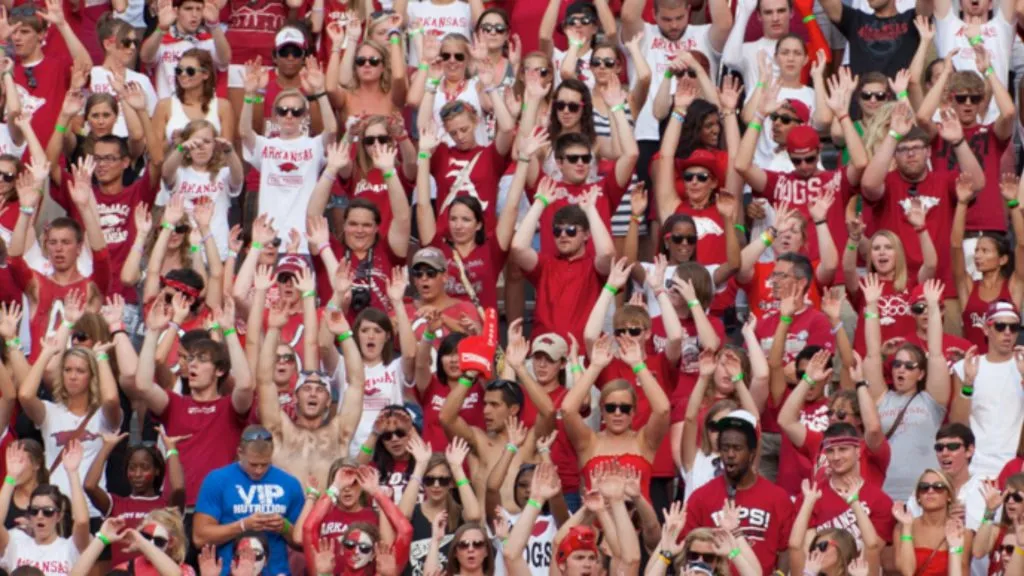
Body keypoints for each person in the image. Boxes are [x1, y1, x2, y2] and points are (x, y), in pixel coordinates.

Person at [127, 298, 253, 520]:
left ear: (220, 370)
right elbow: (144, 385)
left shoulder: (229, 407)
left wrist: (229, 331)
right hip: (176, 510)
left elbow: (245, 385)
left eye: (201, 360)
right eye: (191, 359)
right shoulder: (175, 403)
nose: (192, 364)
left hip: (219, 510)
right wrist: (154, 332)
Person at [258, 295, 366, 489]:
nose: (313, 393)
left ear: (328, 401)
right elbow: (265, 381)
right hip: (287, 518)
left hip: (326, 513)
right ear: (295, 397)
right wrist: (274, 330)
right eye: (306, 388)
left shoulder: (338, 434)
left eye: (320, 390)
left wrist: (345, 335)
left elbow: (357, 383)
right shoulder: (281, 431)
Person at [619, 0, 731, 188]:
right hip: (648, 133)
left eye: (679, 18)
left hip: (697, 136)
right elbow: (629, 16)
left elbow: (725, 23)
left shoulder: (704, 34)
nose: (674, 25)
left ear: (689, 11)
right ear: (654, 15)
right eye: (666, 19)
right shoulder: (643, 35)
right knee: (653, 203)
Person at [241, 56, 337, 251]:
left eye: (297, 111)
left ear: (305, 115)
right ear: (275, 115)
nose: (289, 115)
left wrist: (320, 91)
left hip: (302, 242)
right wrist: (250, 94)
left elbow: (332, 130)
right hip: (269, 242)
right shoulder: (265, 144)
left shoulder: (314, 145)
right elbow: (244, 132)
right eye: (283, 110)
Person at [562, 331, 671, 502]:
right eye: (611, 408)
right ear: (602, 411)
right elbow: (568, 410)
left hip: (639, 523)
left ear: (633, 412)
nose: (618, 413)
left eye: (625, 408)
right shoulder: (589, 442)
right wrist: (595, 366)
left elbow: (663, 410)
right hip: (597, 526)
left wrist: (638, 364)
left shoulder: (644, 441)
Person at [683, 410, 795, 575]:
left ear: (752, 453)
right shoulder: (701, 497)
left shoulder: (777, 497)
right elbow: (687, 549)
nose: (730, 454)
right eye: (725, 448)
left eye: (737, 448)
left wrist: (780, 574)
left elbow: (786, 548)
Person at [509, 179, 614, 344]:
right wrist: (539, 204)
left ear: (586, 235)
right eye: (558, 231)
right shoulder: (545, 264)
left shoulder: (594, 267)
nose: (563, 235)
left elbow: (607, 253)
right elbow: (518, 248)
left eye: (571, 230)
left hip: (580, 359)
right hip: (542, 356)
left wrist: (590, 210)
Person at [193, 425, 305, 575]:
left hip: (276, 571)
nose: (259, 470)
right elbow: (199, 538)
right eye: (253, 464)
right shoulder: (217, 480)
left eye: (265, 464)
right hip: (230, 571)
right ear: (240, 453)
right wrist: (243, 525)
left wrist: (284, 527)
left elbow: (303, 543)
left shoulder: (290, 483)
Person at [83, 427, 186, 567]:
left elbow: (179, 488)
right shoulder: (115, 504)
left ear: (156, 471)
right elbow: (90, 486)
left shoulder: (166, 506)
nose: (137, 474)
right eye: (132, 468)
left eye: (144, 467)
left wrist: (171, 449)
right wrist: (107, 447)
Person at [790, 423, 893, 553]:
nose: (836, 457)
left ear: (857, 451)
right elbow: (808, 549)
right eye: (830, 451)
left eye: (843, 449)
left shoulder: (881, 501)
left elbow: (871, 552)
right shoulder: (811, 496)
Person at [951, 173, 1024, 351]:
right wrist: (961, 204)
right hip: (974, 369)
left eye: (985, 251)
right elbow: (955, 246)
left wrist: (1013, 203)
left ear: (1003, 259)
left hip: (1005, 368)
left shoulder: (1013, 286)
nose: (977, 256)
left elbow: (1022, 244)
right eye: (976, 251)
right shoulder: (968, 287)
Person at [951, 301, 1024, 477]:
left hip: (1016, 467)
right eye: (1000, 326)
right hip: (977, 467)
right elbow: (958, 425)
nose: (1007, 333)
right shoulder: (965, 367)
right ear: (986, 329)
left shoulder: (1022, 365)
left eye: (1013, 327)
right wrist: (968, 383)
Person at [8, 0, 94, 145]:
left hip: (54, 154)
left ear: (41, 34)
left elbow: (85, 67)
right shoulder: (7, 70)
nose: (17, 37)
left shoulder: (58, 65)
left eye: (24, 32)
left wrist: (62, 24)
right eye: (14, 31)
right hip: (15, 158)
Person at [0, 441, 91, 575]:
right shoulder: (16, 543)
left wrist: (72, 473)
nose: (40, 516)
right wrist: (11, 477)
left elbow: (82, 521)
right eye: (34, 511)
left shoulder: (69, 548)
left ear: (59, 516)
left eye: (48, 512)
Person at [302, 465, 412, 573]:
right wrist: (335, 487)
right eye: (349, 545)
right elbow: (308, 528)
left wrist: (376, 492)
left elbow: (406, 531)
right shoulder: (323, 569)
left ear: (373, 554)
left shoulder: (385, 571)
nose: (356, 552)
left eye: (364, 547)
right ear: (341, 550)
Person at [399, 436, 482, 575]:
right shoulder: (413, 512)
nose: (436, 485)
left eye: (443, 480)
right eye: (429, 479)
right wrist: (420, 466)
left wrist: (456, 468)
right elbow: (401, 517)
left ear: (451, 483)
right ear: (422, 482)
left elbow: (474, 515)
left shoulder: (458, 513)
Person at [139, 0, 229, 99]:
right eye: (188, 9)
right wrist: (161, 28)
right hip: (168, 108)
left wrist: (214, 25)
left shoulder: (209, 41)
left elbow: (225, 61)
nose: (194, 14)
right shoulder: (162, 41)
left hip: (203, 108)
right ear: (176, 11)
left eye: (199, 9)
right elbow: (145, 58)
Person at [892, 469, 970, 576]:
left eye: (938, 487)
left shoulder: (960, 532)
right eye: (924, 487)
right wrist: (906, 527)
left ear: (949, 496)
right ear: (918, 497)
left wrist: (954, 546)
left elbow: (962, 572)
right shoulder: (901, 528)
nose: (930, 491)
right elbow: (907, 572)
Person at [819, 0, 922, 76]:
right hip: (862, 100)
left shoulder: (911, 20)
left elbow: (927, 3)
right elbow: (828, 3)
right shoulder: (855, 20)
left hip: (898, 100)